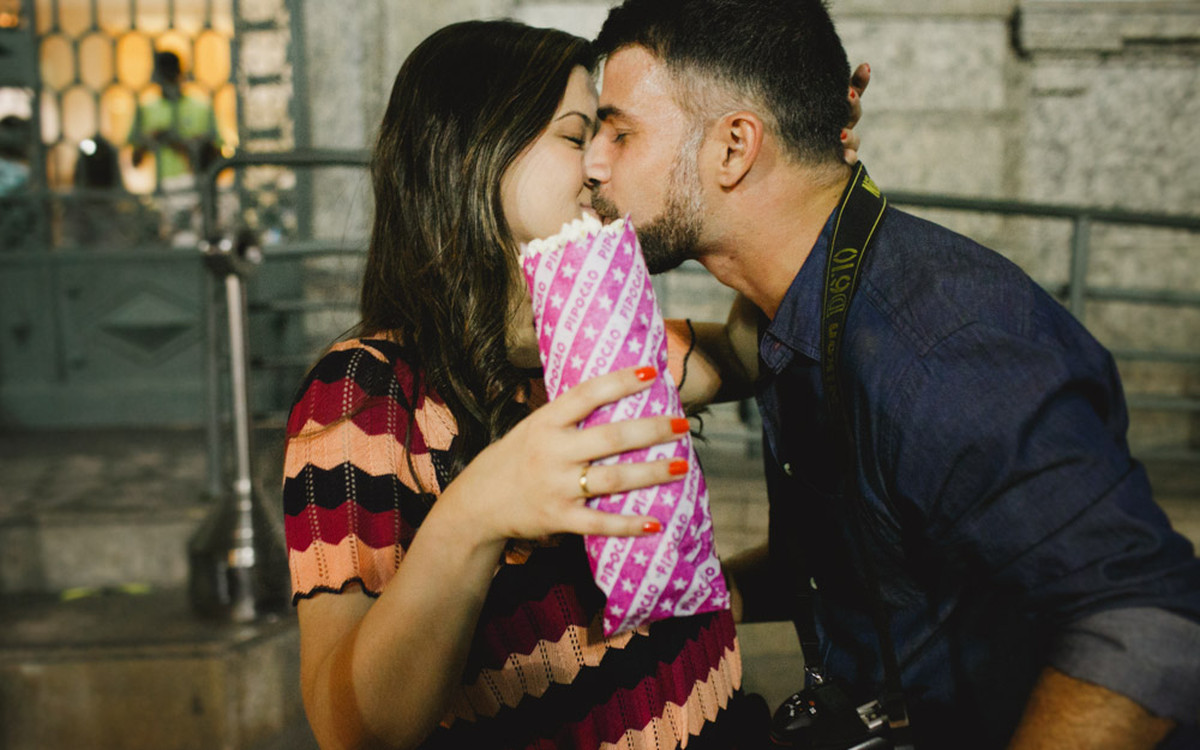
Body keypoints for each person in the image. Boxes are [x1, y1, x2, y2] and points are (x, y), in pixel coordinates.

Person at [583, 1, 1200, 749]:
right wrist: (719, 591)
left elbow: (1151, 625)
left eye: (619, 132)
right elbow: (885, 551)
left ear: (734, 147)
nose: (593, 163)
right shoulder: (801, 309)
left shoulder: (939, 350)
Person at [284, 21, 756, 750]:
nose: (603, 164)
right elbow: (351, 729)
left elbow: (755, 353)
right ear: (477, 153)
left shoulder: (608, 347)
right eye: (577, 135)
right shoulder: (361, 394)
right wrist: (476, 514)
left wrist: (768, 172)